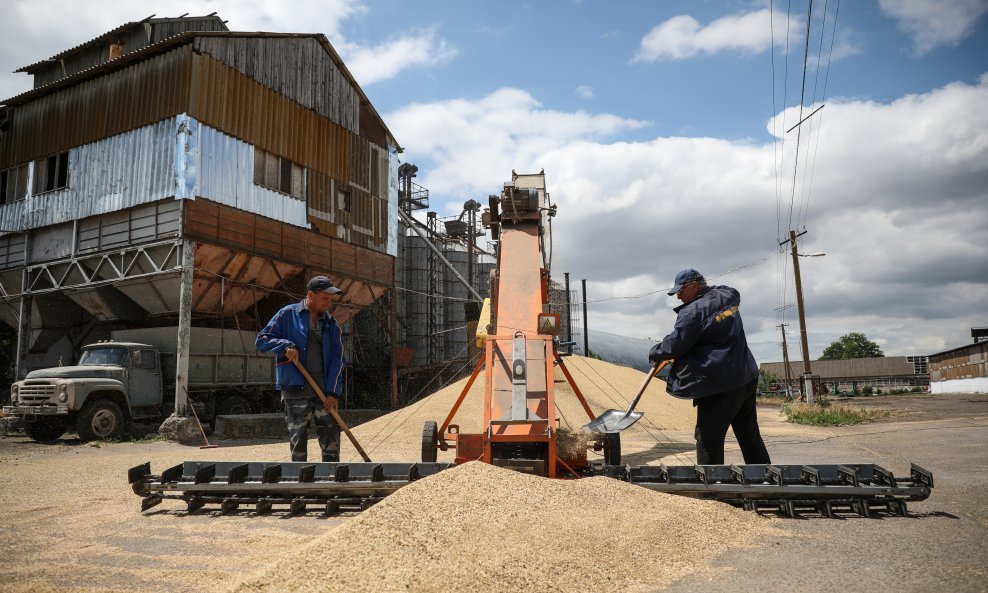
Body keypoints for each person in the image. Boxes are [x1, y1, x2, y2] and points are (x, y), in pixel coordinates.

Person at [648, 269, 771, 465]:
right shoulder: (729, 295)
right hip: (745, 376)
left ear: (694, 285)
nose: (679, 297)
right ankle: (765, 478)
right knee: (749, 434)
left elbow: (676, 344)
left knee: (708, 438)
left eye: (681, 291)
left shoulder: (692, 312)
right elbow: (726, 293)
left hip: (718, 383)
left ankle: (712, 485)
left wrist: (655, 351)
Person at [256, 276, 345, 462]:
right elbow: (262, 340)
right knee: (298, 445)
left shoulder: (331, 325)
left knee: (331, 444)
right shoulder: (287, 315)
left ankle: (330, 484)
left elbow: (337, 361)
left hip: (324, 394)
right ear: (310, 295)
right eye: (324, 298)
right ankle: (299, 483)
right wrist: (285, 346)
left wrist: (333, 393)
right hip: (296, 392)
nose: (328, 303)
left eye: (330, 299)